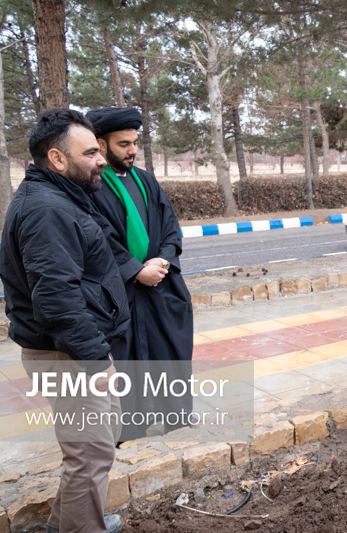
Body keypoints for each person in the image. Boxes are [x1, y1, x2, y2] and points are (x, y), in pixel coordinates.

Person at [0, 109, 129, 533]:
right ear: (57, 158)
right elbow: (56, 298)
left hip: (71, 352)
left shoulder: (60, 198)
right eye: (91, 151)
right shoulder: (47, 210)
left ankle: (68, 523)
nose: (101, 160)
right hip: (68, 356)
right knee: (90, 455)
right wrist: (96, 360)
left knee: (96, 449)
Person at [86, 107, 193, 441]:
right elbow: (97, 236)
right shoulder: (90, 186)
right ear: (101, 145)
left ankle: (177, 422)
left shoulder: (145, 178)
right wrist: (135, 271)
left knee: (169, 355)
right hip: (123, 295)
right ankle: (131, 432)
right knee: (126, 364)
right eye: (123, 144)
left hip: (162, 288)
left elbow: (170, 224)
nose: (133, 150)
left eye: (134, 142)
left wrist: (162, 261)